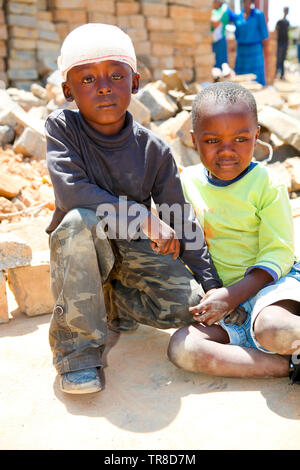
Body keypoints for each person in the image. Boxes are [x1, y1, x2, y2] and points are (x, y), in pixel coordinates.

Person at [45, 23, 223, 394]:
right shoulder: (63, 128)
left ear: (135, 81)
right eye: (88, 78)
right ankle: (77, 353)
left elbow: (179, 216)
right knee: (79, 220)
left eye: (115, 75)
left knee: (188, 308)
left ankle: (116, 305)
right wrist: (142, 216)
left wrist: (212, 287)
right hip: (81, 249)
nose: (104, 86)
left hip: (131, 250)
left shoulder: (153, 150)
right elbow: (70, 193)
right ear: (68, 90)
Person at [167, 82, 300, 384]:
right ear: (193, 140)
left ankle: (284, 343)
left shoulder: (267, 183)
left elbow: (278, 253)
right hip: (223, 307)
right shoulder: (186, 183)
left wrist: (233, 295)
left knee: (274, 329)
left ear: (256, 136)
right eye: (212, 140)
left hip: (270, 292)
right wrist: (222, 299)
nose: (227, 151)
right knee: (183, 348)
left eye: (240, 139)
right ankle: (288, 367)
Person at [231, 0, 269, 86]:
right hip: (242, 52)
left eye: (248, 1)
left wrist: (266, 50)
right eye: (244, 1)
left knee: (256, 76)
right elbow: (236, 34)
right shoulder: (238, 17)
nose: (246, 3)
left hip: (255, 51)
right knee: (241, 78)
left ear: (251, 2)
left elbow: (264, 35)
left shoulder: (258, 15)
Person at [210, 1, 234, 71]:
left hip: (220, 42)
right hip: (214, 42)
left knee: (221, 66)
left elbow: (215, 23)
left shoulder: (223, 11)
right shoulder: (216, 11)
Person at [275, 7, 289, 80]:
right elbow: (276, 30)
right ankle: (276, 74)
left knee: (283, 59)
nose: (286, 12)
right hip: (280, 42)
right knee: (278, 59)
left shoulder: (287, 22)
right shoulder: (279, 21)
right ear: (284, 11)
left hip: (285, 42)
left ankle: (282, 75)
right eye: (286, 10)